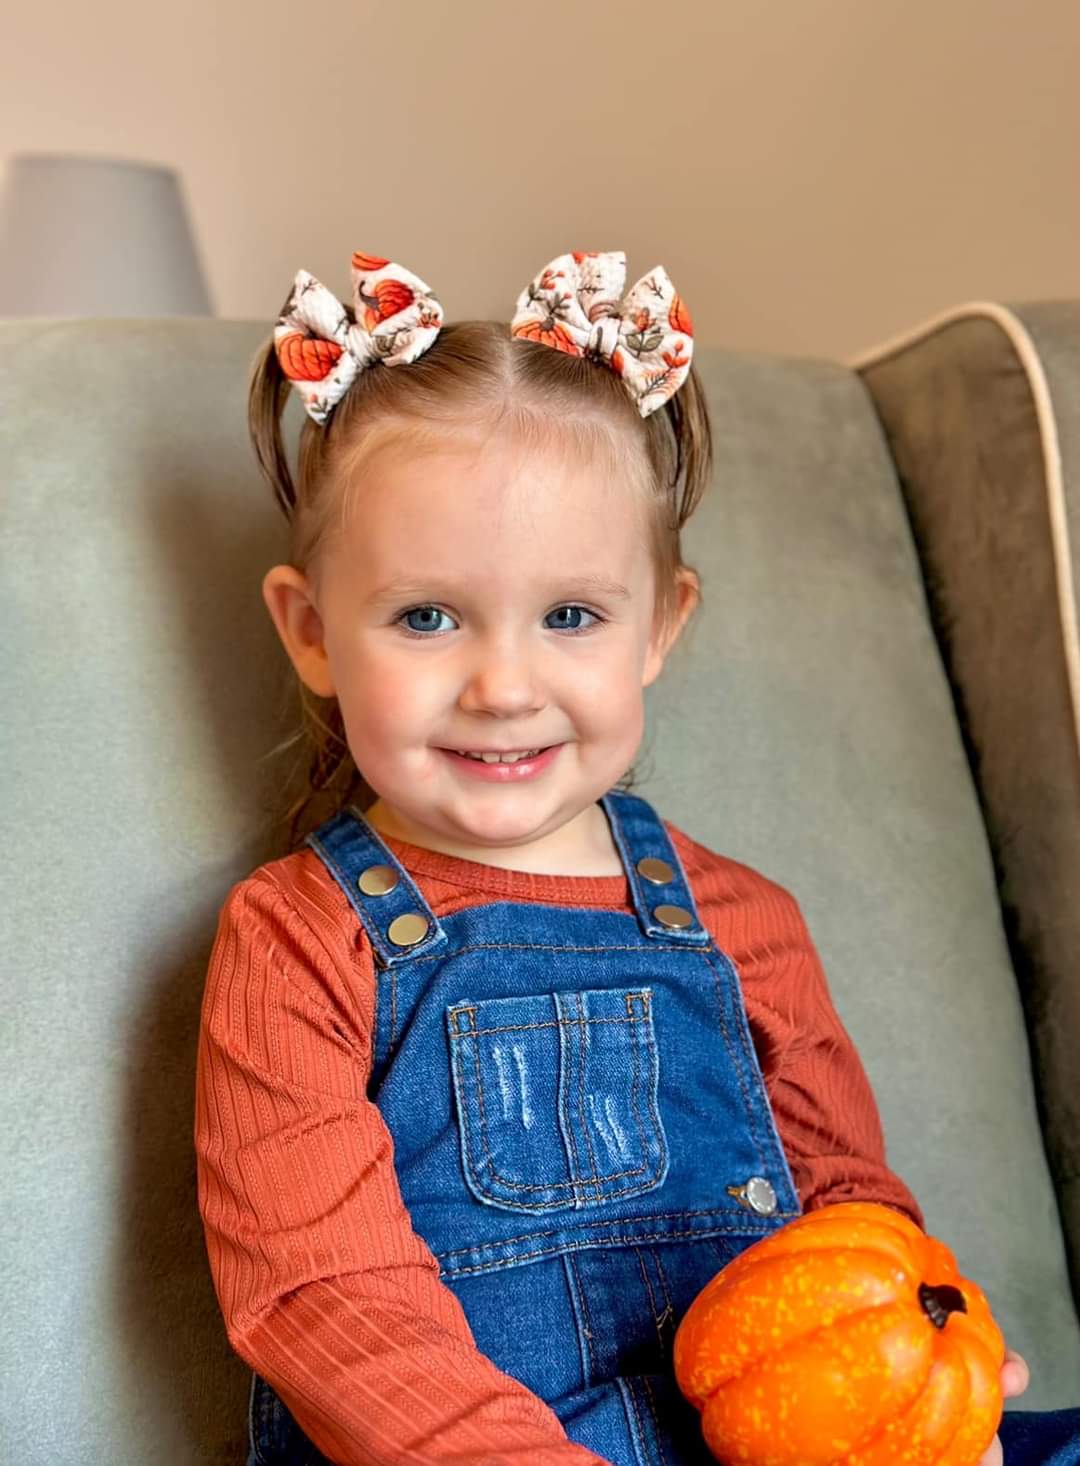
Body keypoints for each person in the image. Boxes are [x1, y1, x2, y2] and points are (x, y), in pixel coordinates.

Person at [193, 250, 1077, 1465]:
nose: (504, 687)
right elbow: (324, 1295)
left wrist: (914, 1388)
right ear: (312, 632)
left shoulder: (743, 916)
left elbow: (850, 1206)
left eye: (570, 616)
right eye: (426, 616)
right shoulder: (299, 936)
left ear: (658, 626)